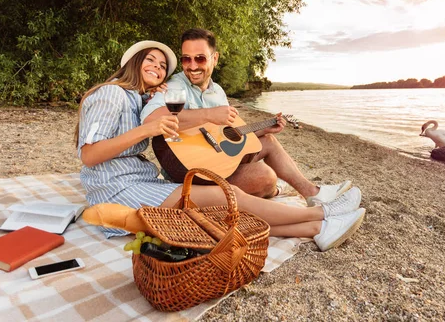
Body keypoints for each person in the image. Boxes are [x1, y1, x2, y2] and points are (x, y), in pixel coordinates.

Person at [75, 40, 365, 251]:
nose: (158, 68)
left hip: (140, 182)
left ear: (214, 59)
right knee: (230, 197)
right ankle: (323, 213)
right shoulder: (111, 94)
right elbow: (89, 156)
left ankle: (316, 229)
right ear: (133, 64)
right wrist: (147, 128)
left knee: (215, 222)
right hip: (118, 190)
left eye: (162, 66)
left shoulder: (136, 98)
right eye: (150, 60)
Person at [142, 28, 355, 205]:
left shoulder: (218, 92)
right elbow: (152, 119)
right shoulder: (176, 85)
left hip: (215, 161)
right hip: (189, 173)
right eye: (186, 59)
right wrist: (209, 114)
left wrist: (263, 129)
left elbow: (223, 136)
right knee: (266, 177)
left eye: (200, 58)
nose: (192, 65)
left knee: (269, 141)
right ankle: (273, 192)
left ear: (214, 58)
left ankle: (313, 193)